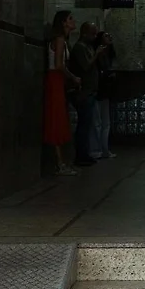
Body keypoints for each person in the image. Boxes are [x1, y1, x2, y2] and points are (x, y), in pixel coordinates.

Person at [43, 11, 81, 176]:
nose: (73, 21)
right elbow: (58, 64)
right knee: (56, 119)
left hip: (57, 80)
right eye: (70, 18)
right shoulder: (59, 40)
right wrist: (73, 77)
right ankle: (60, 163)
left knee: (58, 118)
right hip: (55, 80)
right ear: (63, 22)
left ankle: (61, 161)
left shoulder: (63, 40)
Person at [68, 22, 107, 166]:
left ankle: (85, 153)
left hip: (90, 91)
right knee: (84, 124)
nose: (95, 36)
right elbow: (85, 66)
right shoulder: (80, 48)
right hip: (84, 92)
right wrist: (96, 54)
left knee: (88, 124)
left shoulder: (88, 47)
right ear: (84, 33)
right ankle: (81, 155)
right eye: (93, 34)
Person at [93, 31, 117, 159]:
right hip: (100, 90)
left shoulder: (108, 54)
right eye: (106, 36)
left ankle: (103, 149)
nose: (109, 37)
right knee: (99, 122)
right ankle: (99, 150)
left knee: (104, 123)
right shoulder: (99, 54)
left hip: (105, 90)